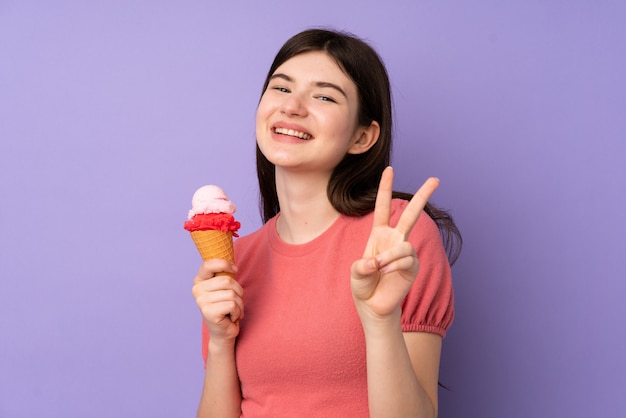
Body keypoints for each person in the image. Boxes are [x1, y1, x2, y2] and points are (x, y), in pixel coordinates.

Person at [191, 28, 462, 418]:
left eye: (323, 96)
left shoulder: (398, 239)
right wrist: (219, 341)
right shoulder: (236, 261)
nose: (292, 107)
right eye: (281, 88)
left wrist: (380, 319)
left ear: (362, 136)